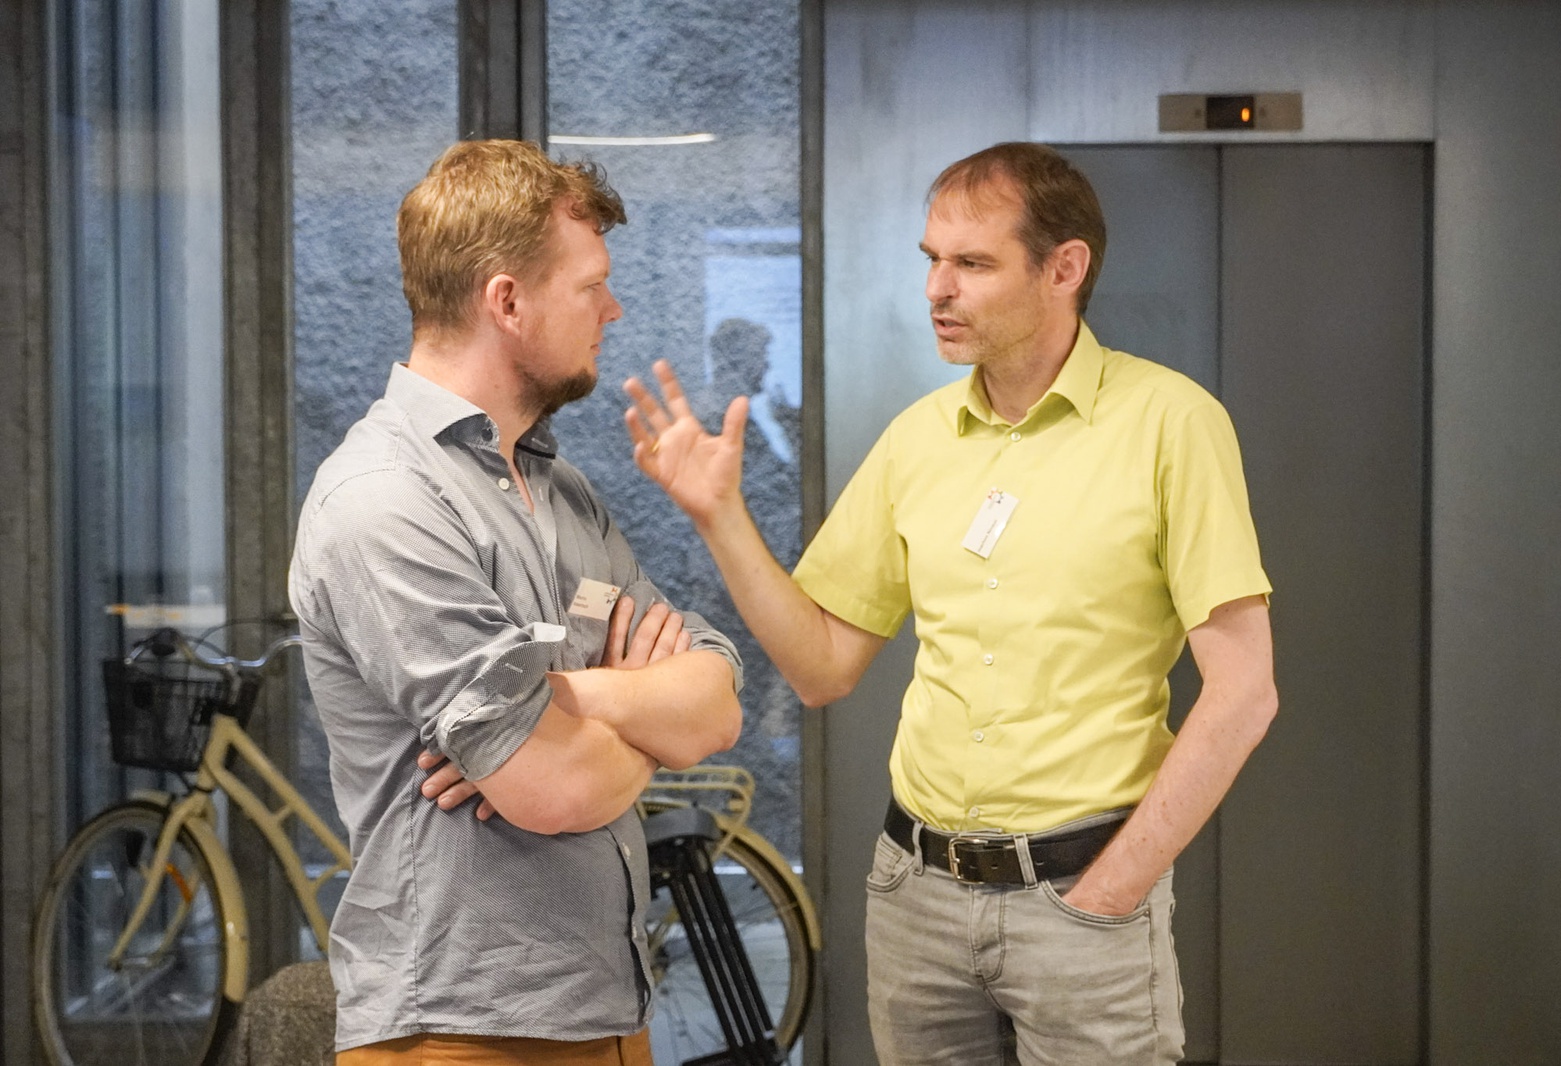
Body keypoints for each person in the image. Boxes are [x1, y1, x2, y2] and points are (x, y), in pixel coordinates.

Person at [621, 141, 1277, 1065]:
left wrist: (1111, 891)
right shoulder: (917, 440)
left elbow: (1244, 692)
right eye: (932, 259)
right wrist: (720, 518)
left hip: (1083, 897)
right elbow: (819, 668)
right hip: (916, 900)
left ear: (1064, 268)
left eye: (972, 263)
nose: (938, 288)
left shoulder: (1172, 424)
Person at [288, 139, 743, 1066]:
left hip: (608, 1013)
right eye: (591, 287)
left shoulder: (558, 486)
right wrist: (639, 719)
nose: (613, 309)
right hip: (461, 1031)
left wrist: (578, 697)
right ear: (506, 301)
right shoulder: (383, 499)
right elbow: (553, 786)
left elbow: (717, 703)